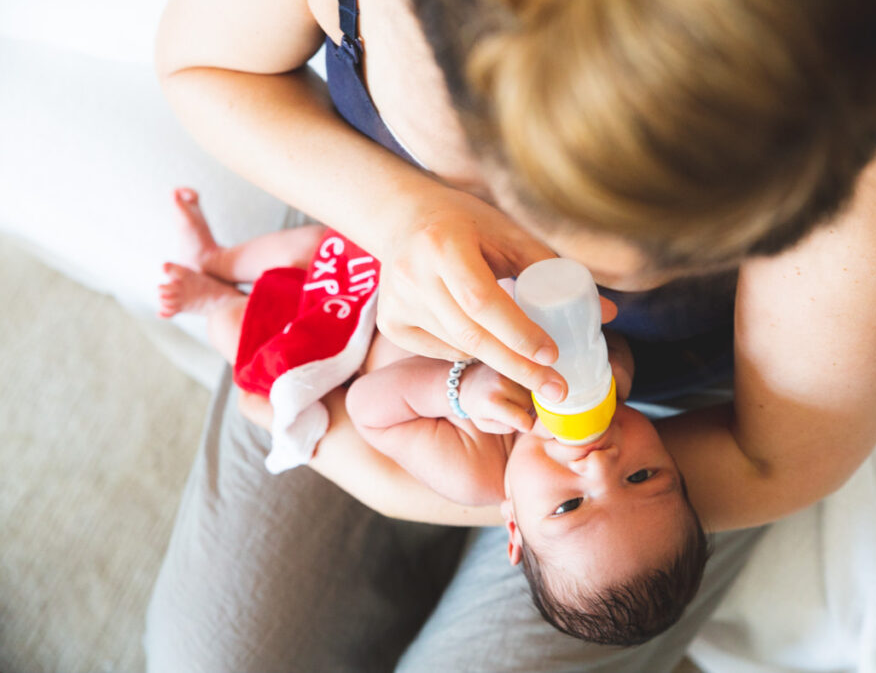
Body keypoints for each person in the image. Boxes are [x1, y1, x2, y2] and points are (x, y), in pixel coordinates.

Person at [146, 0, 876, 671]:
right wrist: (399, 212)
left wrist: (527, 496)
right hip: (370, 267)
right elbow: (204, 68)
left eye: (617, 268)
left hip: (671, 429)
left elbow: (779, 456)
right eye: (491, 189)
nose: (546, 273)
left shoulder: (865, 77)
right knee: (206, 655)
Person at [159, 185, 710, 646]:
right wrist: (610, 363)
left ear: (512, 522)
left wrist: (460, 391)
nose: (598, 462)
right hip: (385, 281)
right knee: (308, 245)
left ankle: (208, 299)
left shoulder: (474, 470)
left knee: (250, 340)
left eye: (568, 505)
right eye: (641, 475)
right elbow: (605, 343)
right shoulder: (604, 396)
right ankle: (216, 257)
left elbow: (369, 408)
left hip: (335, 345)